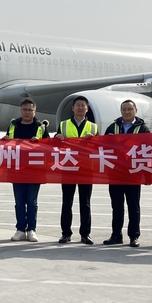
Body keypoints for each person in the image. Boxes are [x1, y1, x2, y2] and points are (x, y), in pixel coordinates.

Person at [102, 100, 150, 247]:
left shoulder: (143, 129)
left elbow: (148, 150)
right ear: (121, 111)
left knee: (133, 206)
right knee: (116, 206)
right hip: (115, 173)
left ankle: (134, 236)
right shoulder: (113, 127)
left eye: (130, 109)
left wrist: (146, 174)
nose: (127, 112)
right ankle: (116, 235)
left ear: (136, 110)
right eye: (124, 109)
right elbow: (103, 148)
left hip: (133, 173)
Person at [3, 99, 48, 243]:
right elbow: (7, 144)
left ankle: (32, 230)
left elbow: (49, 148)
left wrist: (40, 143)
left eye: (30, 110)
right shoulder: (13, 125)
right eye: (25, 109)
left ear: (35, 111)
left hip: (35, 169)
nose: (27, 112)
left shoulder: (40, 127)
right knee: (19, 201)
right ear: (20, 111)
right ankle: (20, 230)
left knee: (32, 201)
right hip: (17, 169)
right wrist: (5, 140)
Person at [55, 96, 98, 245]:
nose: (80, 108)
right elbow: (56, 145)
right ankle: (66, 233)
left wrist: (94, 139)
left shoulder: (93, 127)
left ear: (87, 109)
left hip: (86, 169)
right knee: (67, 202)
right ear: (73, 108)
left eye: (83, 106)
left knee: (85, 203)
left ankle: (85, 234)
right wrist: (57, 137)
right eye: (77, 105)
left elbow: (99, 148)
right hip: (68, 168)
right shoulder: (63, 125)